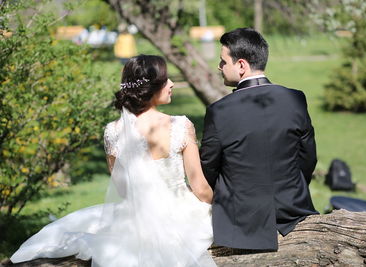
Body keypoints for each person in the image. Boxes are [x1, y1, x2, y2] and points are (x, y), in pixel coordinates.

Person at [11, 55, 216, 267]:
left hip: (135, 217)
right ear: (150, 87)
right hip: (183, 215)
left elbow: (122, 188)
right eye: (166, 80)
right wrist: (219, 204)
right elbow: (200, 187)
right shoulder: (181, 125)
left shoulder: (113, 131)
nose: (172, 83)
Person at [200, 28, 319, 251]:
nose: (219, 67)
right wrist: (290, 190)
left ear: (241, 65)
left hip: (241, 219)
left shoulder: (219, 111)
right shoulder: (295, 99)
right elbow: (307, 158)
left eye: (223, 61)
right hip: (294, 208)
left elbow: (209, 167)